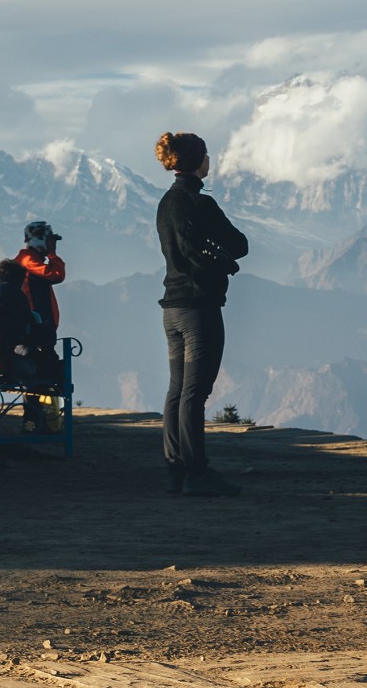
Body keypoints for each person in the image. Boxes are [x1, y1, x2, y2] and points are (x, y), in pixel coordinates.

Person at [155, 130, 248, 497]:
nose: (210, 160)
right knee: (195, 393)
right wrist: (222, 264)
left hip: (172, 310)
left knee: (177, 390)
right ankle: (198, 473)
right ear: (196, 161)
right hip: (200, 311)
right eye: (206, 154)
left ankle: (175, 469)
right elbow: (239, 245)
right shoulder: (200, 204)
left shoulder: (166, 202)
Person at [0, 259, 47, 386]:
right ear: (19, 281)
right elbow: (25, 333)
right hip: (0, 365)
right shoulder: (14, 294)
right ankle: (35, 404)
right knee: (38, 362)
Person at [16, 220, 66, 350]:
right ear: (41, 240)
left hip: (34, 327)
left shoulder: (25, 260)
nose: (53, 244)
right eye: (50, 241)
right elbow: (57, 275)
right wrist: (52, 255)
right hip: (37, 328)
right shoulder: (29, 262)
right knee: (49, 366)